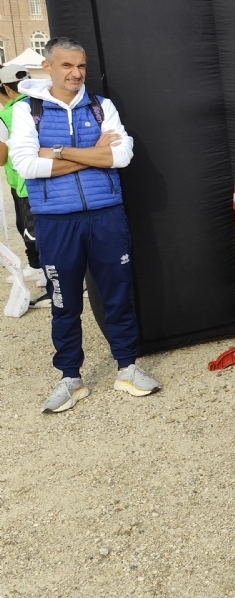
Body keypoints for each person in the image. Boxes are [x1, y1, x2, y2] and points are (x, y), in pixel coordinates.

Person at [8, 37, 159, 412]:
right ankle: (70, 377)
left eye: (81, 66)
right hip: (56, 222)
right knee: (64, 300)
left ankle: (127, 367)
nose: (76, 73)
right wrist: (95, 155)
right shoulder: (29, 111)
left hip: (106, 216)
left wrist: (57, 152)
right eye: (66, 66)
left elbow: (122, 155)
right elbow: (26, 165)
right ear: (49, 67)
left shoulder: (100, 106)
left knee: (117, 295)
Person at [0, 63, 50, 306]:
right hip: (48, 178)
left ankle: (55, 284)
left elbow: (1, 157)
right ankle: (44, 272)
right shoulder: (44, 104)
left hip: (25, 182)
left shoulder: (8, 114)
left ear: (7, 89)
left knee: (36, 234)